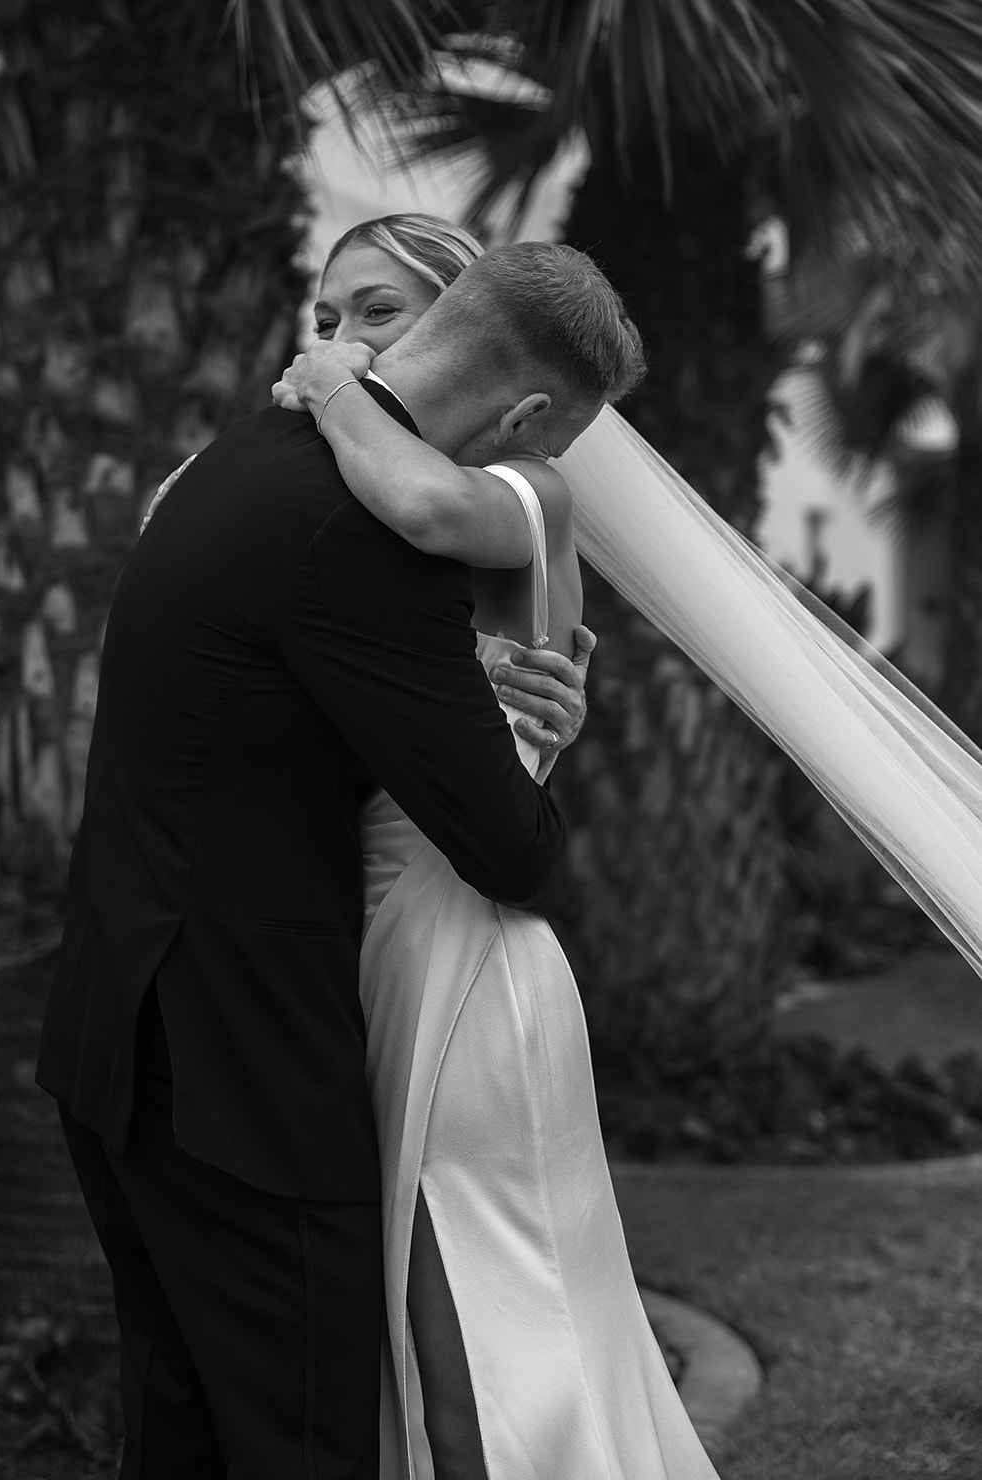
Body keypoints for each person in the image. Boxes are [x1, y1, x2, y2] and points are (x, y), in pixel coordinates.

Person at [35, 237, 631, 1479]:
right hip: (229, 1076)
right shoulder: (366, 538)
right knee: (301, 1439)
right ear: (525, 412)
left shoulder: (236, 460)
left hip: (117, 1027)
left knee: (186, 1432)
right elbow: (508, 848)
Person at [273, 218, 720, 1480]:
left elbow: (420, 503)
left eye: (374, 317)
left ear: (463, 347)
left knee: (484, 1360)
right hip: (378, 954)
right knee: (441, 1358)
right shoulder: (349, 520)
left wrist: (326, 394)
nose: (337, 348)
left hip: (463, 973)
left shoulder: (528, 490)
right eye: (323, 320)